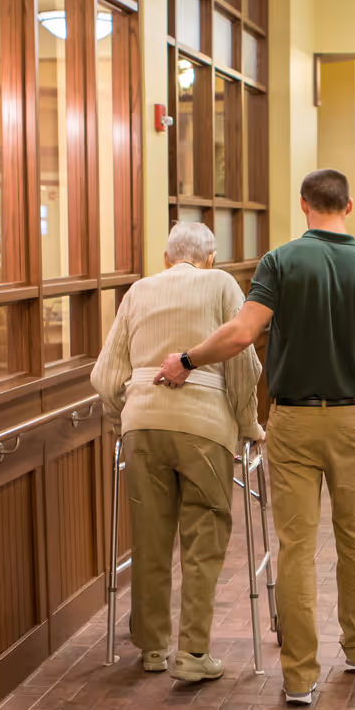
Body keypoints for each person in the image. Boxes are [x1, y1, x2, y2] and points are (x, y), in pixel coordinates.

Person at [155, 169, 355, 707]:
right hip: (352, 421)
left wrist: (187, 359)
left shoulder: (281, 262)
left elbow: (244, 332)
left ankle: (299, 678)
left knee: (296, 549)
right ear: (349, 204)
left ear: (303, 205)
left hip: (291, 422)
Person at [95, 222, 264, 682]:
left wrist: (122, 422)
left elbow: (105, 376)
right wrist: (247, 425)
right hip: (204, 427)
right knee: (202, 539)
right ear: (210, 258)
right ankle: (192, 655)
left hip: (142, 426)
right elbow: (244, 365)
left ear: (166, 257)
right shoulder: (222, 284)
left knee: (150, 538)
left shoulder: (138, 291)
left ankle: (152, 649)